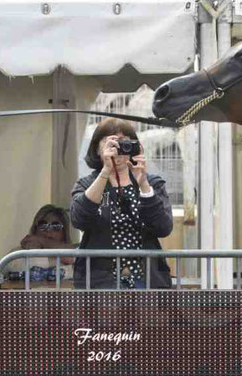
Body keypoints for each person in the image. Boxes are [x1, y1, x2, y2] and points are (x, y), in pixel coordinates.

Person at [70, 117, 174, 289]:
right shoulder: (87, 184)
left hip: (147, 281)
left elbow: (163, 227)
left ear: (134, 147)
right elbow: (79, 220)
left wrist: (144, 185)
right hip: (100, 282)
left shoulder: (152, 183)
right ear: (97, 149)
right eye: (110, 143)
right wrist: (105, 172)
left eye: (123, 143)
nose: (117, 149)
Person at [4, 204, 77, 283]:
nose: (48, 230)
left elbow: (74, 257)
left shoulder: (76, 254)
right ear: (35, 229)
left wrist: (42, 241)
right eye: (43, 225)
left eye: (56, 226)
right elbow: (9, 266)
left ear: (64, 233)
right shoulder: (17, 253)